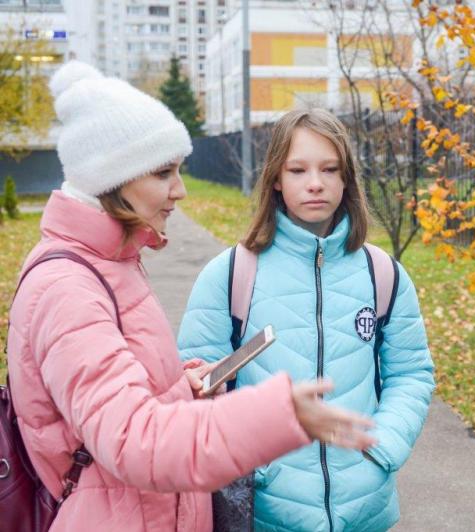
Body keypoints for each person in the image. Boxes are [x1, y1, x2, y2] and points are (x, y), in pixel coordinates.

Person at [6, 61, 375, 532]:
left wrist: (182, 387)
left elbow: (115, 399)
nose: (179, 190)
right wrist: (276, 415)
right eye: (163, 173)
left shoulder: (111, 263)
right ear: (110, 180)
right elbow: (134, 440)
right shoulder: (67, 289)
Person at [178, 108, 435, 531]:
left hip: (364, 510)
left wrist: (380, 449)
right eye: (297, 169)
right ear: (276, 178)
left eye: (329, 169)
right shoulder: (230, 275)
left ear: (347, 177)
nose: (315, 183)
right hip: (266, 511)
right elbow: (197, 392)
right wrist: (254, 461)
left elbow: (411, 374)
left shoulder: (383, 273)